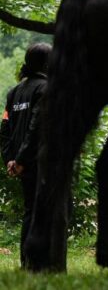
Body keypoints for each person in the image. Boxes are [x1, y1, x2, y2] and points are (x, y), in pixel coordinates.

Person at [0, 42, 51, 268]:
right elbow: (36, 128)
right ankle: (37, 264)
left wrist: (11, 160)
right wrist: (21, 160)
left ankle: (26, 262)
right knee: (42, 213)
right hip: (38, 161)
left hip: (21, 163)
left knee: (31, 211)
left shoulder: (14, 92)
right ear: (47, 63)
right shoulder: (45, 89)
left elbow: (5, 130)